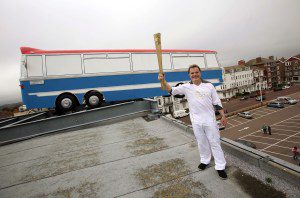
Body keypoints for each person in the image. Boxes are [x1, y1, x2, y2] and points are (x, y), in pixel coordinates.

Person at [158, 64, 228, 179]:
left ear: (200, 73)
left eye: (196, 72)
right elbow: (171, 90)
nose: (194, 74)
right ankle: (205, 160)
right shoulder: (186, 87)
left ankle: (220, 166)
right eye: (192, 73)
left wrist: (223, 116)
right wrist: (163, 80)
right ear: (189, 75)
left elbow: (216, 102)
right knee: (201, 142)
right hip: (196, 121)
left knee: (215, 142)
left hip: (209, 120)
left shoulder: (209, 86)